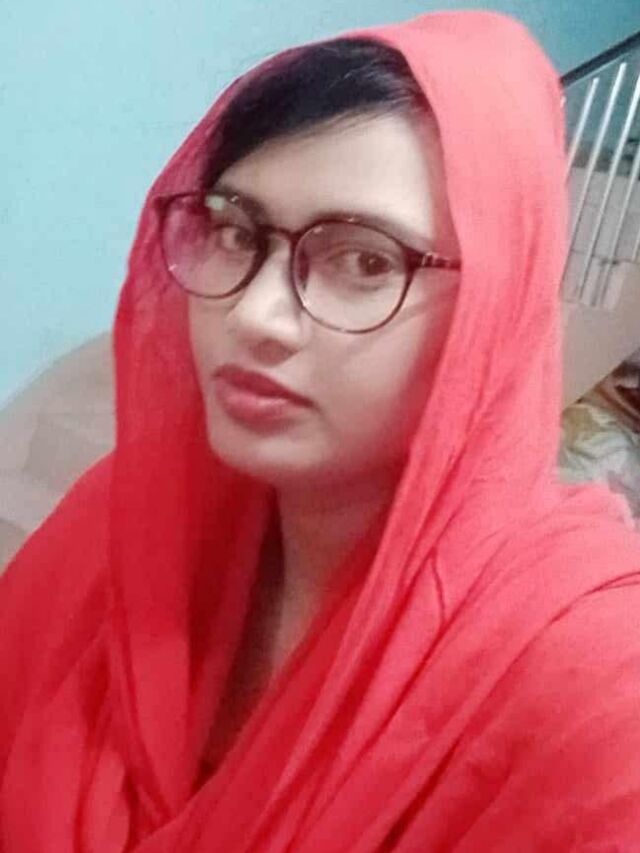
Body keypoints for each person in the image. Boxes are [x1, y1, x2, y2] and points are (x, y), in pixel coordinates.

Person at [2, 10, 640, 851]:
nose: (256, 314)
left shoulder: (593, 685)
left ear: (494, 306)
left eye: (364, 260)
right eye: (236, 232)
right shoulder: (122, 532)